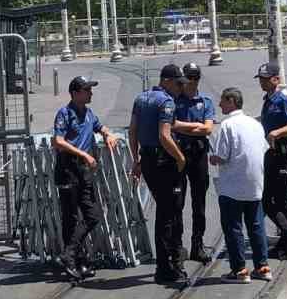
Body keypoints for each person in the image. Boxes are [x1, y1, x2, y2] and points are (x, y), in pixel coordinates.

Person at [52, 76, 119, 282]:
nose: (91, 93)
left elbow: (100, 127)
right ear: (75, 93)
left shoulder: (88, 113)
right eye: (87, 90)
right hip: (68, 168)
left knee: (92, 215)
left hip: (84, 171)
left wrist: (108, 134)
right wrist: (83, 155)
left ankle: (70, 254)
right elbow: (58, 141)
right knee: (71, 217)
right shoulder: (65, 113)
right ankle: (75, 261)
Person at [130, 64, 189, 283]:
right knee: (169, 213)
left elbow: (133, 130)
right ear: (166, 81)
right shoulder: (166, 102)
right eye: (177, 83)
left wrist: (136, 160)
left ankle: (169, 260)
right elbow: (165, 135)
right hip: (164, 161)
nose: (179, 88)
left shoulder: (141, 98)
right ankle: (167, 266)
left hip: (147, 160)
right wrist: (180, 158)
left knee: (165, 210)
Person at [209, 86, 271, 282]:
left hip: (233, 186)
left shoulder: (227, 126)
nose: (219, 104)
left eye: (222, 101)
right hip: (255, 184)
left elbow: (221, 156)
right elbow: (263, 149)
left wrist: (212, 158)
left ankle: (240, 271)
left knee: (233, 227)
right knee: (256, 226)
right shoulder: (255, 124)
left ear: (231, 102)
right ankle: (262, 267)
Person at [256, 62, 287, 259]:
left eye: (266, 79)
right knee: (275, 201)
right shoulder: (268, 99)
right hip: (271, 154)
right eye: (260, 79)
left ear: (276, 79)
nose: (262, 82)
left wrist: (277, 132)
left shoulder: (284, 99)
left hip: (282, 154)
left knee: (273, 201)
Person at [173, 63, 217, 264]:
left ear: (197, 79)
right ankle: (178, 246)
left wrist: (186, 129)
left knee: (199, 202)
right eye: (187, 77)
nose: (190, 81)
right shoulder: (174, 100)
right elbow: (172, 126)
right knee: (178, 202)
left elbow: (208, 130)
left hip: (199, 153)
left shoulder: (206, 101)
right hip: (179, 154)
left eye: (193, 77)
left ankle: (197, 245)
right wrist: (196, 127)